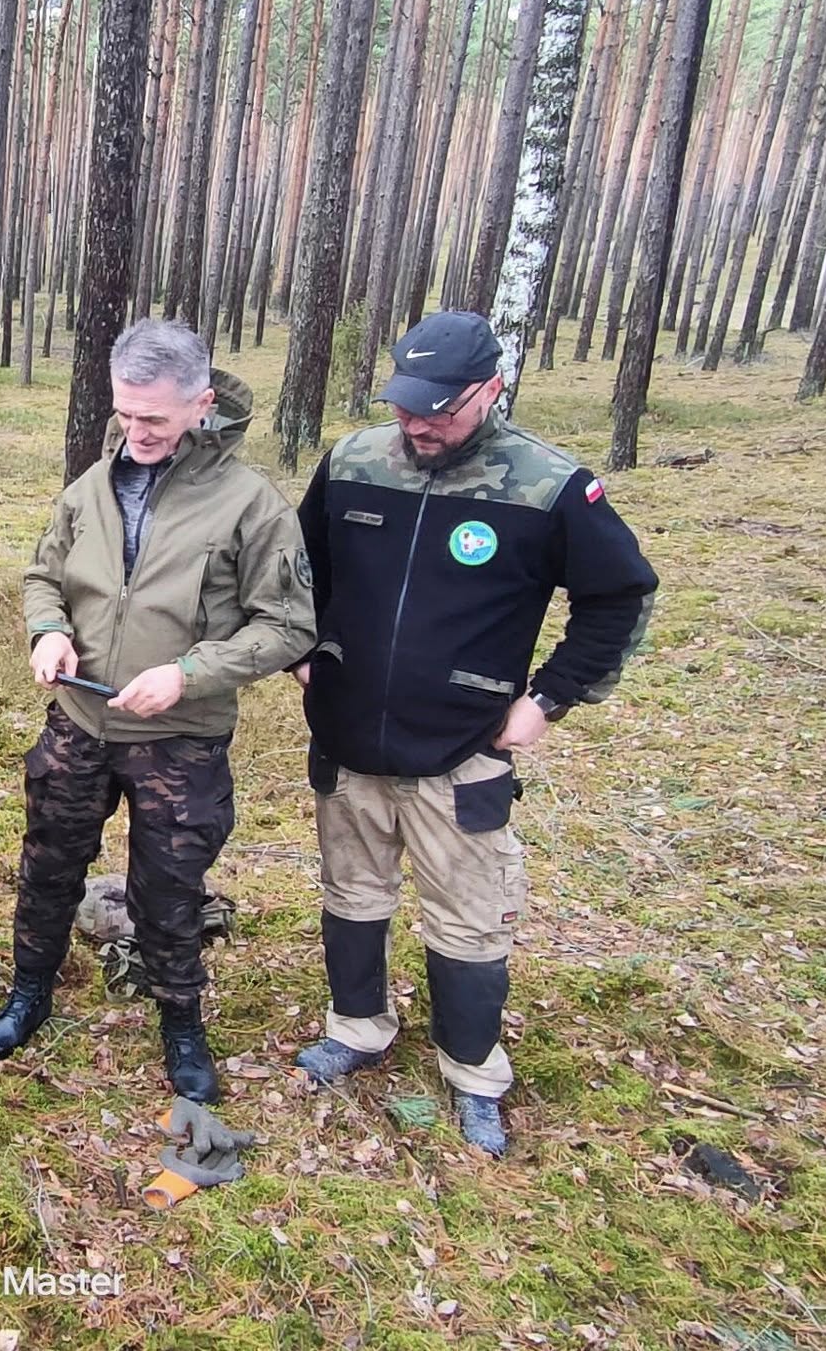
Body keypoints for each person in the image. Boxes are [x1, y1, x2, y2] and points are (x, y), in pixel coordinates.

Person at [289, 310, 657, 1157]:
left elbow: (619, 597)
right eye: (406, 406)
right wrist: (302, 651)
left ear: (491, 389)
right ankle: (357, 1026)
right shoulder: (351, 462)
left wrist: (549, 699)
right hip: (345, 739)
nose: (418, 425)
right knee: (352, 897)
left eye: (440, 410)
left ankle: (471, 1072)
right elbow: (297, 570)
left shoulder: (547, 485)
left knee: (468, 924)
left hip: (460, 751)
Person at [0, 318, 316, 1103]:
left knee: (168, 888)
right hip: (79, 722)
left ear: (201, 404)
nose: (136, 433)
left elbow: (288, 624)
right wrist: (48, 629)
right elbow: (43, 573)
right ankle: (29, 991)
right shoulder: (92, 485)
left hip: (180, 739)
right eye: (124, 414)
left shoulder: (249, 503)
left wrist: (191, 671)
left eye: (154, 419)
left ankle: (179, 1021)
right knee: (48, 864)